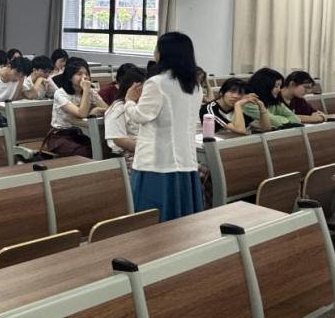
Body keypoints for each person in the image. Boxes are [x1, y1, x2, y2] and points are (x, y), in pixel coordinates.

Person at [124, 32, 204, 222]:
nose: (154, 52)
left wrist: (129, 101)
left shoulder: (157, 82)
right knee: (182, 215)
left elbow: (141, 116)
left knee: (152, 215)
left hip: (157, 159)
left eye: (157, 48)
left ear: (164, 53)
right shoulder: (195, 86)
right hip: (185, 157)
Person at [45, 58, 108, 157]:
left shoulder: (90, 92)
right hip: (60, 136)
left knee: (103, 149)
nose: (84, 77)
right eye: (79, 74)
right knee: (86, 153)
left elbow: (107, 109)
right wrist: (86, 90)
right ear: (70, 77)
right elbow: (81, 114)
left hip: (80, 134)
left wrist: (95, 109)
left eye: (86, 74)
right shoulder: (60, 93)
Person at [104, 66, 147, 167]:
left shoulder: (146, 105)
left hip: (145, 151)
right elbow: (119, 140)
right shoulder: (118, 108)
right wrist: (146, 149)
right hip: (126, 155)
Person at [200, 78, 271, 135]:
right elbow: (240, 130)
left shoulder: (238, 107)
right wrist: (238, 105)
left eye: (240, 93)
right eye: (232, 92)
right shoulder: (209, 109)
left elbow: (266, 128)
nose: (235, 96)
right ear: (221, 93)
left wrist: (261, 106)